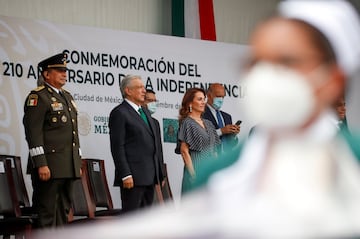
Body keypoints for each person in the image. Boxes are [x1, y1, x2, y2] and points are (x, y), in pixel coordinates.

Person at [23, 53, 82, 228]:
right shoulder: (38, 97)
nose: (64, 74)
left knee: (63, 212)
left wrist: (76, 161)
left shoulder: (67, 97)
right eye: (59, 70)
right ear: (46, 74)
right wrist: (41, 163)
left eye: (65, 70)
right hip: (48, 166)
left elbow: (73, 133)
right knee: (46, 213)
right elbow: (33, 132)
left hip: (67, 165)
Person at [109, 75, 164, 213]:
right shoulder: (119, 113)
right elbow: (117, 147)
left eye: (143, 87)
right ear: (128, 90)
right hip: (133, 178)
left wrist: (160, 173)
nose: (144, 90)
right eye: (139, 87)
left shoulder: (144, 112)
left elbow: (156, 145)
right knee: (131, 221)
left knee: (145, 222)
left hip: (150, 176)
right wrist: (126, 174)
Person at [177, 87, 221, 194]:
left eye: (204, 99)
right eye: (199, 99)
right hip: (195, 173)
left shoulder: (209, 124)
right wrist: (193, 176)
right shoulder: (187, 122)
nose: (203, 102)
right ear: (190, 104)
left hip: (209, 174)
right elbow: (184, 151)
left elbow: (214, 150)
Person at [203, 83, 240, 149]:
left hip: (227, 158)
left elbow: (231, 144)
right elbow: (201, 138)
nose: (221, 100)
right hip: (210, 158)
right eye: (218, 96)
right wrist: (221, 131)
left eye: (223, 97)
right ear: (208, 95)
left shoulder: (227, 117)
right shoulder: (200, 114)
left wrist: (233, 135)